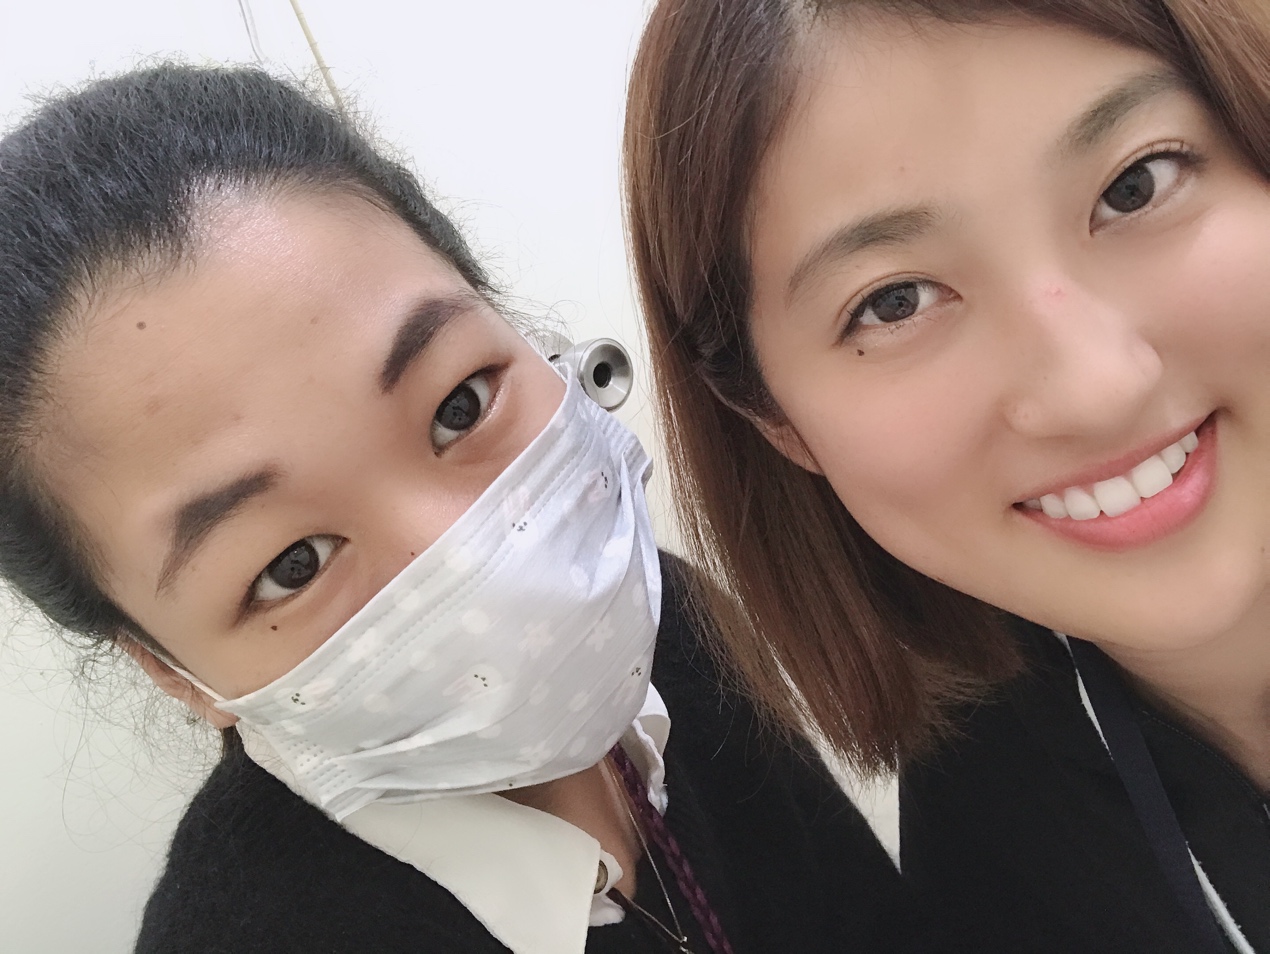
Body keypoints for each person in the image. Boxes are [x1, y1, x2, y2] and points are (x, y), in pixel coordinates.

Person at [0, 65, 915, 954]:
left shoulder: (666, 625)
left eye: (460, 405)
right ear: (176, 675)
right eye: (293, 565)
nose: (469, 558)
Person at [623, 1, 1270, 952]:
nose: (1094, 388)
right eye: (895, 302)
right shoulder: (992, 842)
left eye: (1135, 185)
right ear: (773, 418)